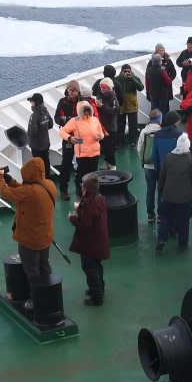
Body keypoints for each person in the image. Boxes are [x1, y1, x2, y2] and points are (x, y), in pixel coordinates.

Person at [0, 158, 57, 287]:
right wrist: (11, 181)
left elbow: (4, 192)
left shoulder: (29, 192)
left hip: (30, 240)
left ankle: (36, 299)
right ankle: (48, 294)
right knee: (44, 265)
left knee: (32, 270)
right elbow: (28, 190)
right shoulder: (50, 184)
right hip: (45, 236)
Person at [68, 174, 109, 305]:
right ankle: (99, 288)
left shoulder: (89, 204)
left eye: (83, 188)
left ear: (87, 190)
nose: (82, 190)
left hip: (90, 244)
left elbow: (84, 226)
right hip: (99, 242)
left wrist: (72, 218)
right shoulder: (99, 199)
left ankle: (96, 296)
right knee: (97, 266)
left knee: (90, 268)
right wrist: (80, 208)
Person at [157, 133, 192, 252]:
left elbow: (162, 176)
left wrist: (162, 189)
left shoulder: (168, 157)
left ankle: (161, 238)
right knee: (183, 220)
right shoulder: (190, 160)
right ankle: (183, 244)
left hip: (168, 195)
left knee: (166, 217)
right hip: (185, 198)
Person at [55, 81, 95, 199]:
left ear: (77, 91)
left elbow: (90, 118)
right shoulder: (62, 102)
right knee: (66, 162)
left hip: (81, 137)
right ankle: (64, 189)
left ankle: (79, 185)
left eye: (73, 90)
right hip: (68, 136)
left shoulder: (83, 103)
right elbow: (56, 117)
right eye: (69, 90)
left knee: (81, 161)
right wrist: (65, 120)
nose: (70, 92)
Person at [59, 101, 105, 198]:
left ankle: (92, 194)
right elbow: (62, 131)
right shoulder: (74, 121)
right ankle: (83, 194)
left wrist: (100, 136)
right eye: (84, 110)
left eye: (88, 110)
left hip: (95, 153)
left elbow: (101, 132)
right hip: (82, 154)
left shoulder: (95, 120)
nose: (87, 112)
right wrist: (70, 138)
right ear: (80, 111)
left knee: (93, 175)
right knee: (83, 176)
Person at [137, 109, 163, 222]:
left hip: (148, 166)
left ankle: (150, 214)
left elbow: (140, 148)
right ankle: (161, 214)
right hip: (161, 166)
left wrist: (143, 160)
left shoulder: (144, 131)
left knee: (150, 190)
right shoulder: (162, 131)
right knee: (161, 190)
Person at [115, 64, 145, 150]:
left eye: (129, 71)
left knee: (133, 125)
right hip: (121, 104)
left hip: (132, 104)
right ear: (121, 72)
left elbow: (140, 87)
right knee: (120, 124)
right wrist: (122, 77)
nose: (127, 73)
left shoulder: (135, 78)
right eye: (125, 71)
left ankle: (133, 142)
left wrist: (132, 78)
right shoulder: (117, 79)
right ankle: (120, 141)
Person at [26, 93, 54, 177]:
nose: (31, 103)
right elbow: (50, 124)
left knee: (38, 164)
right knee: (46, 161)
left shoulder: (34, 116)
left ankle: (41, 181)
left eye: (32, 102)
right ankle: (48, 179)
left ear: (36, 103)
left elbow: (32, 131)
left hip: (36, 145)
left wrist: (28, 134)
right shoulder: (45, 111)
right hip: (45, 143)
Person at [96, 78, 120, 168]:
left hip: (111, 127)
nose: (102, 89)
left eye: (104, 87)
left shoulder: (113, 98)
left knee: (110, 147)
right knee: (104, 146)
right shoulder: (100, 97)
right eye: (101, 87)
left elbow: (113, 112)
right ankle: (107, 162)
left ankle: (113, 164)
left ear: (109, 87)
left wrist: (102, 106)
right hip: (102, 126)